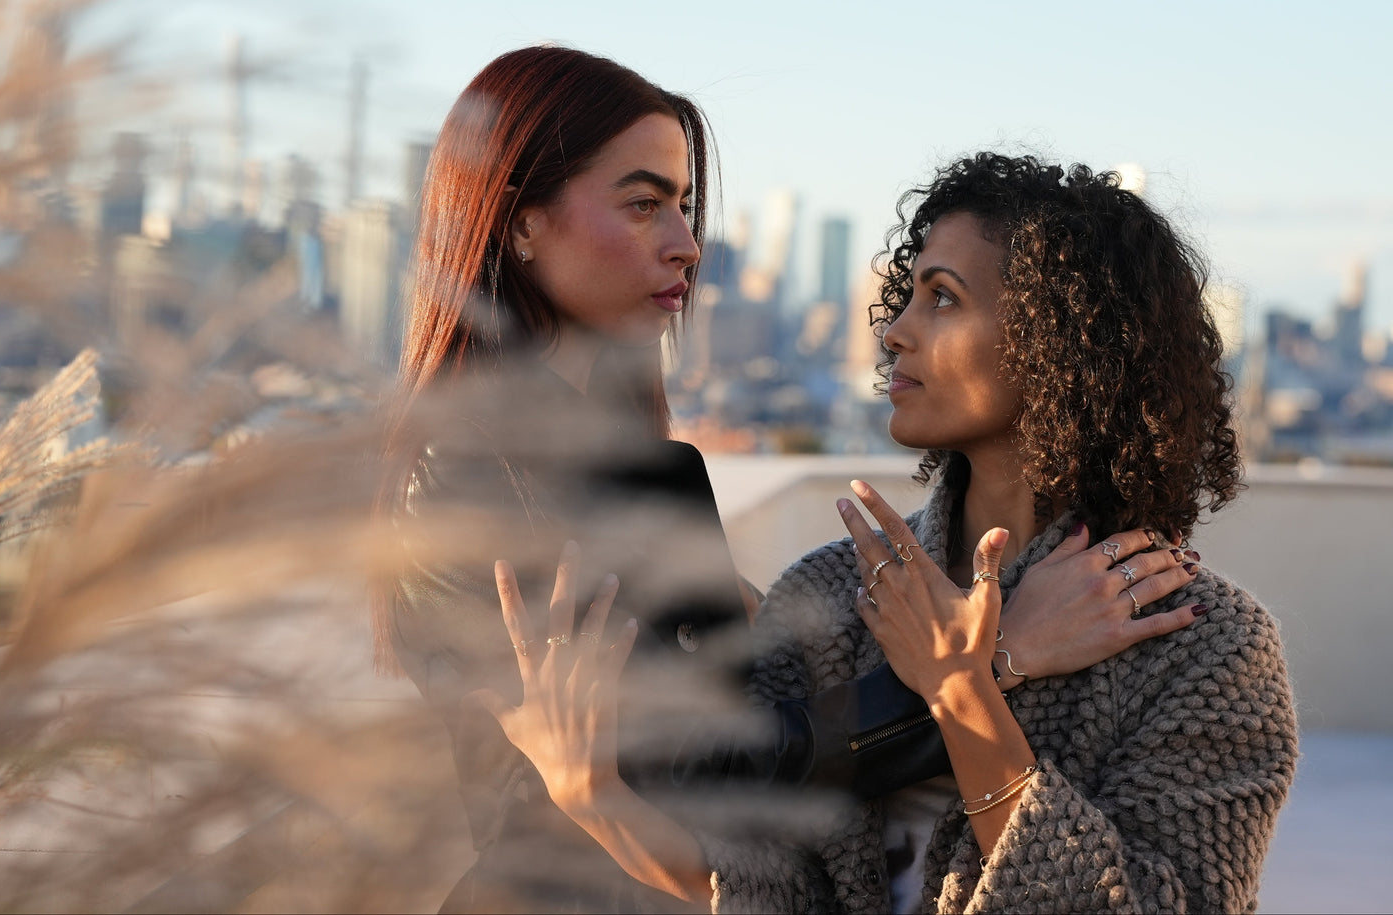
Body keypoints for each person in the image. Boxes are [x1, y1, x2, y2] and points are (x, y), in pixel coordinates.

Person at [383, 47, 1212, 912]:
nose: (686, 244)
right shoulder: (470, 477)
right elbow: (709, 777)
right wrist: (1002, 656)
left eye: (684, 206)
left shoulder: (645, 466)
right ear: (521, 223)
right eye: (642, 206)